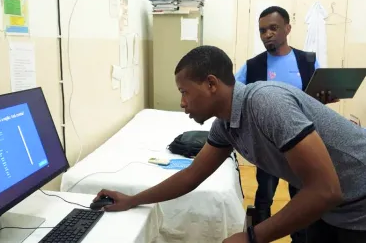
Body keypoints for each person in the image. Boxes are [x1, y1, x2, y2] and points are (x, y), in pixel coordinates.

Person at [94, 45, 366, 243]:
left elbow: (325, 190)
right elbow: (191, 176)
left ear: (211, 84)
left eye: (184, 91)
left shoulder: (266, 103)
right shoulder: (225, 125)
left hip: (359, 201)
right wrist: (133, 200)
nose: (182, 103)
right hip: (332, 208)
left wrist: (251, 237)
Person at [234, 6, 325, 243]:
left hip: (301, 145)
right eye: (262, 30)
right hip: (267, 147)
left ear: (287, 28)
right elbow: (235, 97)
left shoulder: (307, 61)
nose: (267, 34)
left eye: (273, 28)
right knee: (264, 197)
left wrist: (324, 97)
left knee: (302, 199)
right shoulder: (253, 66)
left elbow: (317, 98)